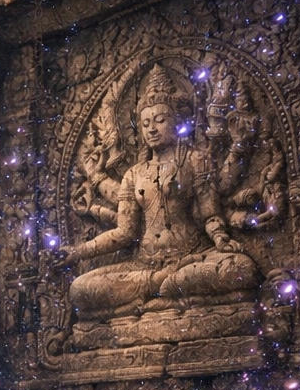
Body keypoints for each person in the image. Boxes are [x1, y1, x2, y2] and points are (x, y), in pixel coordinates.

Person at [53, 65, 259, 321]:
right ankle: (162, 286)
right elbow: (124, 233)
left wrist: (221, 239)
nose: (151, 129)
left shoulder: (196, 161)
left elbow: (210, 214)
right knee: (79, 289)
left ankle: (160, 292)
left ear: (178, 121)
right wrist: (77, 251)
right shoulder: (134, 174)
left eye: (160, 120)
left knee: (241, 269)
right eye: (145, 123)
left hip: (191, 258)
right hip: (143, 266)